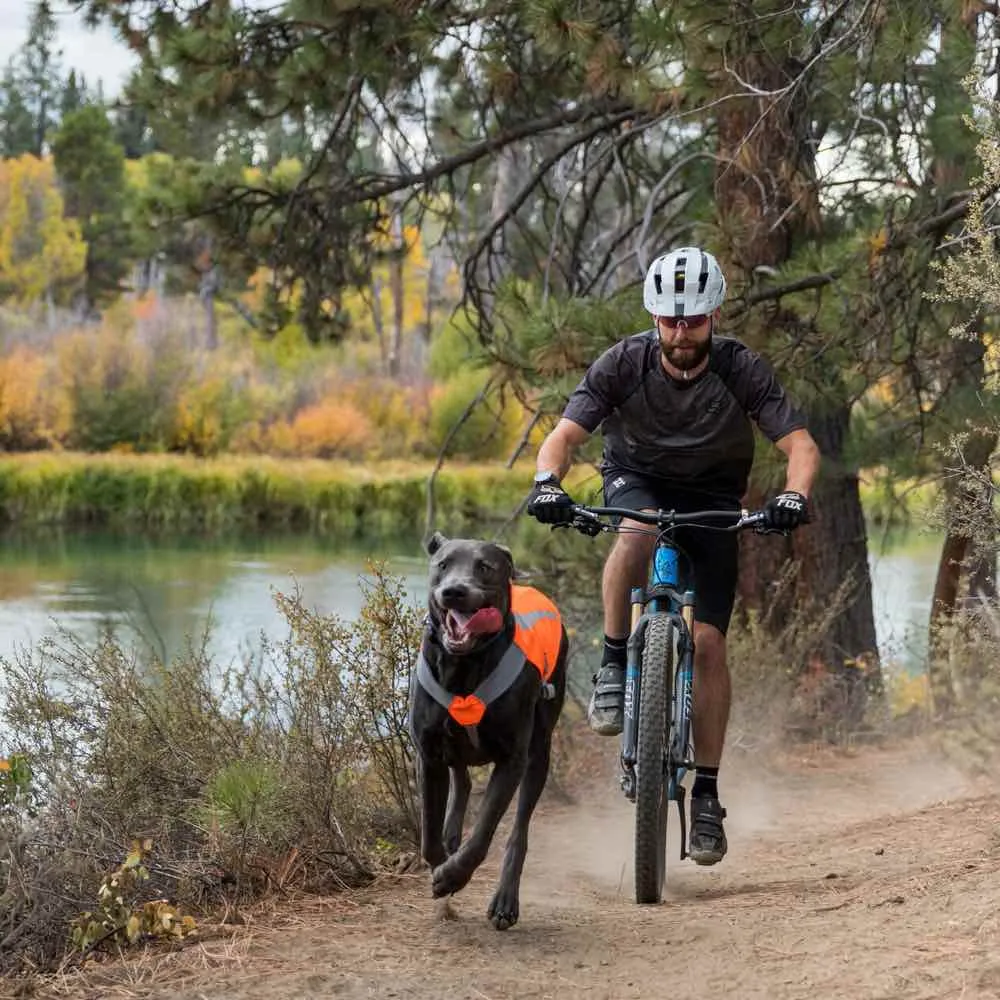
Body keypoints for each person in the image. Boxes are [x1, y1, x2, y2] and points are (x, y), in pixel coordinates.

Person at [525, 246, 820, 865]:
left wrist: (793, 497)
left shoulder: (740, 368)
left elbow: (800, 445)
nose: (681, 333)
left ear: (714, 315)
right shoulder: (623, 363)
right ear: (654, 317)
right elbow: (564, 437)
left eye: (693, 321)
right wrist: (547, 484)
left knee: (709, 644)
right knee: (634, 531)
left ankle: (707, 795)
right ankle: (613, 663)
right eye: (670, 320)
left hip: (713, 494)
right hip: (637, 477)